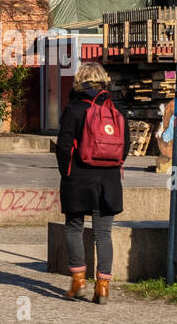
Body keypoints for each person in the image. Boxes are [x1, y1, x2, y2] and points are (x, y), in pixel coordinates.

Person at [55, 62, 130, 304]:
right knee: (103, 233)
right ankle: (103, 286)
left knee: (74, 228)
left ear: (80, 80)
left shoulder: (74, 108)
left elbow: (64, 145)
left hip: (78, 176)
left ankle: (78, 281)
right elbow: (124, 146)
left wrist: (66, 172)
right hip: (108, 180)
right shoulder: (114, 109)